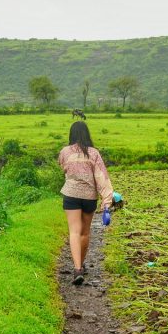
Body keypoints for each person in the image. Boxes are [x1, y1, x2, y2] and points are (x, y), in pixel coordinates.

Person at [58, 121, 114, 285]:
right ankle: (80, 264)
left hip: (71, 195)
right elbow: (101, 177)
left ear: (72, 134)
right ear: (87, 134)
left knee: (74, 232)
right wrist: (107, 199)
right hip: (90, 198)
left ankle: (77, 269)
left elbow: (63, 167)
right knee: (85, 233)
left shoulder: (65, 152)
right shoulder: (94, 153)